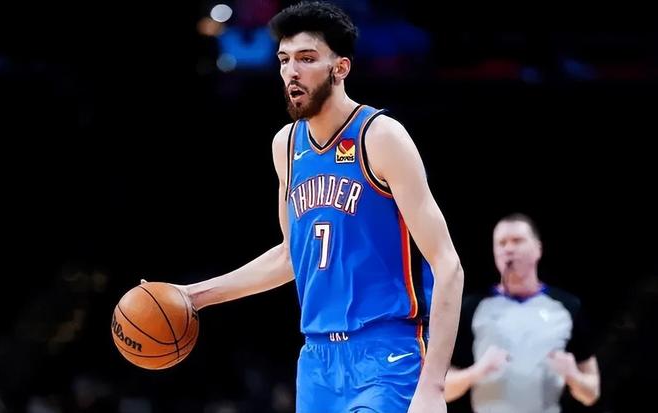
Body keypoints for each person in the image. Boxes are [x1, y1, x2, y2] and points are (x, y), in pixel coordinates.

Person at [142, 2, 464, 412]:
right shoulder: (287, 145)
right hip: (316, 362)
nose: (291, 71)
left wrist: (433, 386)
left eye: (307, 59)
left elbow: (448, 264)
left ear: (340, 68)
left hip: (387, 353)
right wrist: (193, 296)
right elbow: (290, 257)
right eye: (284, 60)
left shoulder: (380, 136)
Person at [445, 213, 600, 413]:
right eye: (501, 243)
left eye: (517, 241)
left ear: (538, 249)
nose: (508, 249)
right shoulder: (472, 307)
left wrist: (573, 376)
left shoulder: (568, 307)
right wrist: (477, 371)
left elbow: (592, 393)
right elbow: (443, 389)